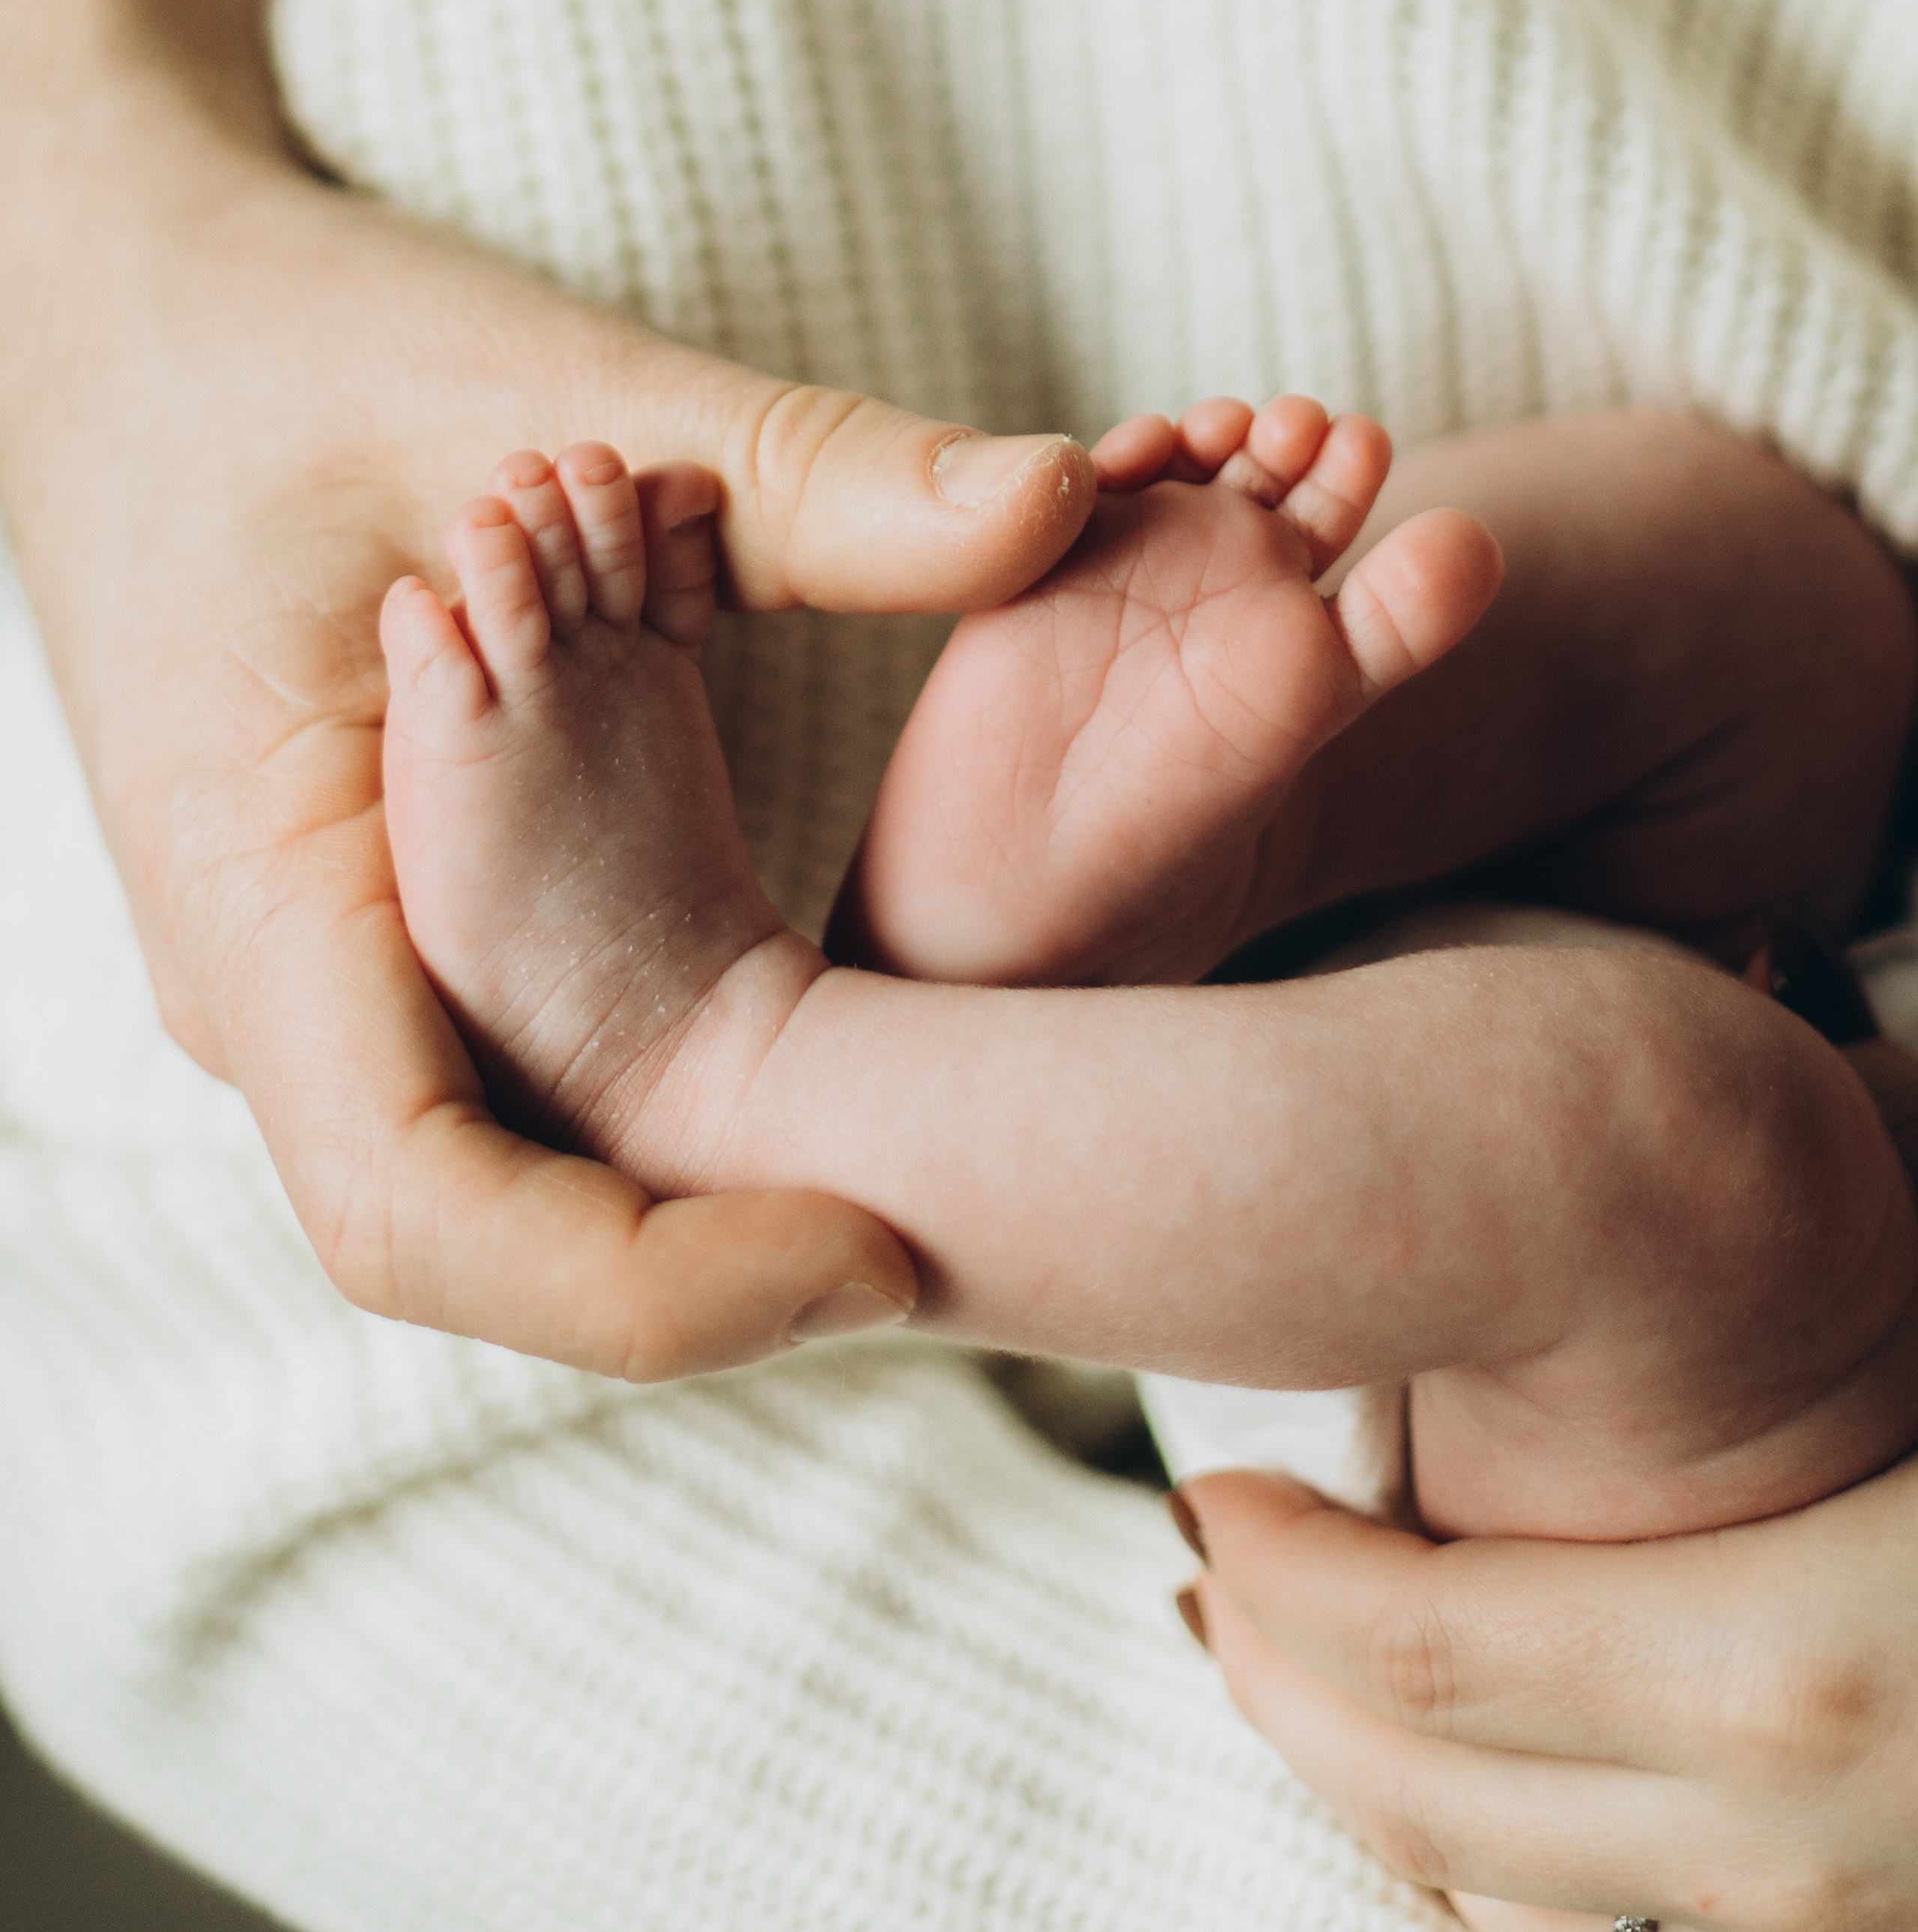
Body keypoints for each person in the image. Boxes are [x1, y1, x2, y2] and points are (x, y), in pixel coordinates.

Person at [5, 0, 1918, 1932]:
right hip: (1786, 842)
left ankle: (742, 1048)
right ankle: (1134, 917)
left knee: (1676, 1165)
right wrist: (82, 138)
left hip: (1613, 1520)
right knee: (1743, 598)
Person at [379, 405, 1918, 1546]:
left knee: (1689, 1154)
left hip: (1743, 1500)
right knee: (1791, 621)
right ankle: (1221, 874)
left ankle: (702, 1065)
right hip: (1829, 954)